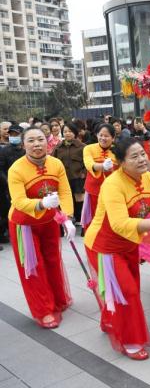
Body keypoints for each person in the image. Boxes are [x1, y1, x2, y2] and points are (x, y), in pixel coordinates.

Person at [83, 138, 150, 360]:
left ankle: (108, 319)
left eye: (142, 154)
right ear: (121, 162)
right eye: (134, 156)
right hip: (104, 246)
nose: (142, 159)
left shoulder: (148, 178)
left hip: (129, 243)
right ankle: (130, 340)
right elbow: (119, 224)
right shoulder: (112, 185)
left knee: (127, 288)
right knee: (128, 292)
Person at [7, 127, 76, 329]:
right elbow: (19, 201)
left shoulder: (56, 163)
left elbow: (64, 191)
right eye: (31, 141)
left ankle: (58, 299)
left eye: (40, 140)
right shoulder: (16, 169)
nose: (37, 144)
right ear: (23, 145)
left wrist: (68, 218)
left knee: (53, 260)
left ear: (48, 142)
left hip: (49, 221)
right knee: (33, 267)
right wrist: (41, 204)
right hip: (25, 224)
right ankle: (44, 309)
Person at [82, 124, 118, 229]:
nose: (103, 138)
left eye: (106, 136)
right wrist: (102, 166)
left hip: (113, 190)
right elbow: (88, 163)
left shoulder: (118, 150)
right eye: (100, 135)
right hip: (94, 190)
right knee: (94, 218)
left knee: (111, 218)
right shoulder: (88, 148)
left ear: (113, 137)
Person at [53, 123, 86, 225]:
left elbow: (87, 162)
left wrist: (83, 173)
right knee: (65, 198)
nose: (67, 133)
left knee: (79, 198)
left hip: (78, 178)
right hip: (64, 178)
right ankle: (68, 218)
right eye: (65, 131)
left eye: (70, 131)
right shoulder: (58, 147)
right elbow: (53, 161)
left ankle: (80, 219)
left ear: (75, 133)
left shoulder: (82, 147)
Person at [0, 124, 25, 244]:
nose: (13, 136)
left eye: (16, 134)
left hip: (27, 183)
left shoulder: (26, 150)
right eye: (11, 134)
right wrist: (8, 182)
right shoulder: (4, 151)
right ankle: (14, 233)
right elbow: (1, 169)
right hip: (9, 186)